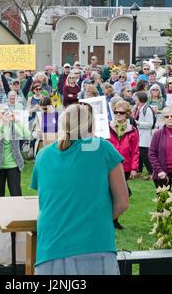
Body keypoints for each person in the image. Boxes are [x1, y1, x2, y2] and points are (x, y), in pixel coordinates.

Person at [31, 103, 129, 275]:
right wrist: (97, 217)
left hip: (50, 248)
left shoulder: (43, 155)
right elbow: (122, 202)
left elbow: (49, 198)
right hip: (94, 246)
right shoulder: (102, 147)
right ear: (90, 125)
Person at [107, 100, 139, 230]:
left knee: (120, 193)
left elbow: (135, 150)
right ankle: (110, 219)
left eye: (121, 112)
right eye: (116, 112)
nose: (118, 114)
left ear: (127, 114)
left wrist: (134, 168)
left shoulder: (132, 130)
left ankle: (114, 219)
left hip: (125, 166)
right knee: (109, 193)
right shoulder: (107, 127)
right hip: (109, 165)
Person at [0, 104, 30, 197]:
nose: (5, 115)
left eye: (7, 112)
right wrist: (1, 124)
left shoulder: (14, 126)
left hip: (13, 165)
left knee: (16, 194)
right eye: (3, 113)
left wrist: (16, 120)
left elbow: (27, 134)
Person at [148, 106, 172, 189]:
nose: (170, 118)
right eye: (167, 117)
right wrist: (159, 170)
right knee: (163, 201)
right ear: (164, 119)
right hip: (161, 175)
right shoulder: (157, 134)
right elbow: (152, 154)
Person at [132, 91, 154, 180]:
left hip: (144, 135)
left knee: (144, 154)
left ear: (140, 99)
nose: (134, 99)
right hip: (138, 134)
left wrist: (138, 123)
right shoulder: (136, 108)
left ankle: (152, 171)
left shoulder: (147, 109)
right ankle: (139, 171)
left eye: (136, 98)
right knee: (139, 154)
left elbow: (150, 124)